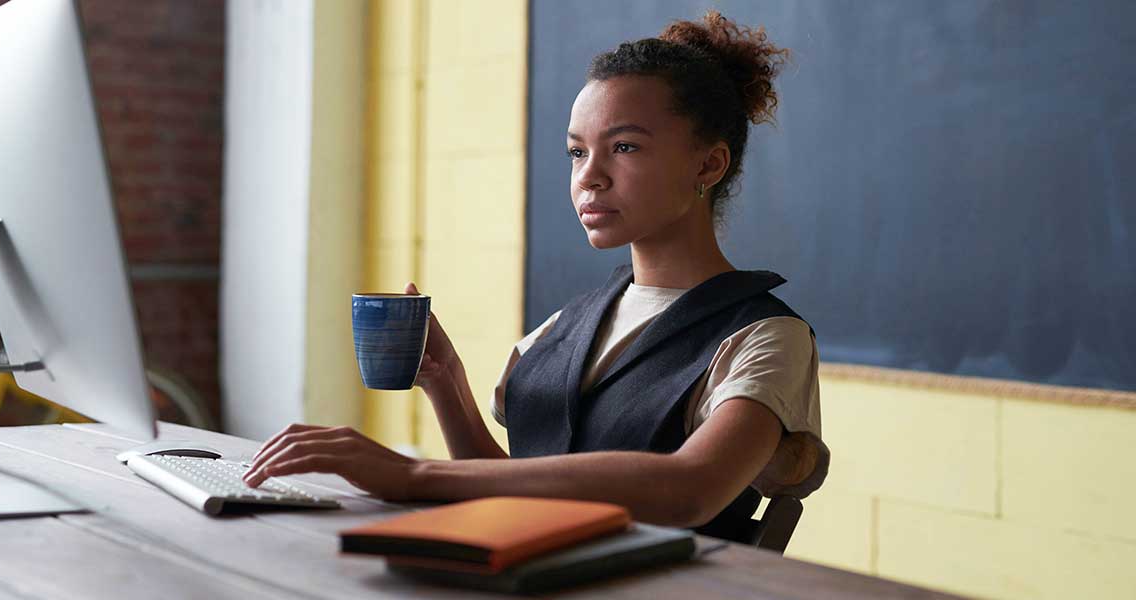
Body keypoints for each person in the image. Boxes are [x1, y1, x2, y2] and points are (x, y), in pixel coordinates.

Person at [244, 11, 829, 544]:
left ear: (709, 164)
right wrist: (447, 384)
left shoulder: (766, 337)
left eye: (623, 147)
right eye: (577, 152)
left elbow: (690, 488)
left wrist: (413, 474)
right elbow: (510, 487)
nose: (589, 178)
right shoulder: (569, 322)